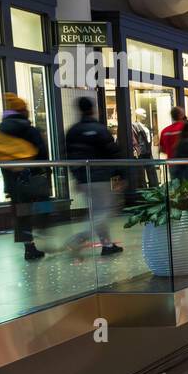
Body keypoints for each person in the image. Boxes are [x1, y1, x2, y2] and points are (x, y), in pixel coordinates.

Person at [0, 94, 48, 261]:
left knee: (21, 215)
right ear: (22, 111)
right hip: (33, 178)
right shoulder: (30, 130)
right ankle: (43, 230)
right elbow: (42, 154)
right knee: (43, 204)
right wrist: (45, 170)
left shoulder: (0, 133)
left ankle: (29, 247)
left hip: (13, 182)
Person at [64, 96, 124, 256]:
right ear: (93, 109)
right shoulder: (100, 129)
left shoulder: (72, 131)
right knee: (105, 210)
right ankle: (78, 238)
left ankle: (107, 245)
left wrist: (76, 177)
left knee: (97, 211)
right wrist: (120, 174)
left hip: (83, 178)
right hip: (101, 177)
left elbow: (68, 156)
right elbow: (113, 152)